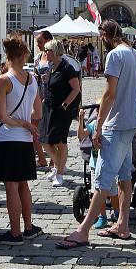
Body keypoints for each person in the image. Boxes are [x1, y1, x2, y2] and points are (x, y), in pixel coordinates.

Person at [57, 19, 136, 248]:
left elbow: (109, 94)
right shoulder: (135, 54)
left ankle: (82, 231)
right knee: (125, 176)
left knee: (101, 180)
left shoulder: (114, 56)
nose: (101, 41)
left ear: (106, 35)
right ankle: (122, 224)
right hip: (130, 124)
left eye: (102, 37)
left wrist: (98, 127)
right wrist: (128, 99)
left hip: (115, 125)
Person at [0, 36, 44, 245]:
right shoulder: (32, 79)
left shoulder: (3, 80)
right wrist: (29, 124)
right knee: (23, 185)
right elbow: (37, 112)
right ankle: (28, 227)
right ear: (24, 56)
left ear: (8, 56)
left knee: (11, 186)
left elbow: (2, 117)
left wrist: (22, 123)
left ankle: (14, 232)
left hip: (9, 138)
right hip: (25, 141)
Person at [39, 39, 81, 187]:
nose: (45, 53)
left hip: (62, 110)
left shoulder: (66, 68)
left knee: (60, 142)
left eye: (47, 50)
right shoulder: (52, 67)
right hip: (49, 108)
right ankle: (58, 166)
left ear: (55, 51)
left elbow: (76, 89)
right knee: (45, 140)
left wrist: (65, 104)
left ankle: (60, 172)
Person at [77, 104, 120, 229]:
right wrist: (81, 120)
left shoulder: (113, 123)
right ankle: (102, 216)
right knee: (98, 191)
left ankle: (117, 213)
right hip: (95, 163)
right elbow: (81, 135)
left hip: (110, 162)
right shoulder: (94, 124)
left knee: (113, 192)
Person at [33, 31, 54, 168]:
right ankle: (41, 157)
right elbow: (35, 75)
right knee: (34, 129)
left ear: (48, 41)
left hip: (52, 97)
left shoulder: (55, 57)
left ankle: (55, 162)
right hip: (39, 96)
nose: (38, 44)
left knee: (51, 130)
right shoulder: (38, 57)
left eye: (40, 41)